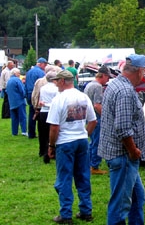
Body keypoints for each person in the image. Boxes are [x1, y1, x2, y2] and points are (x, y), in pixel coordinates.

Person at [98, 54, 145, 225]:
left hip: (118, 154)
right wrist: (133, 151)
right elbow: (123, 128)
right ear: (140, 71)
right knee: (120, 205)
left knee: (137, 197)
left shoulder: (115, 85)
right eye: (144, 72)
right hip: (124, 156)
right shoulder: (125, 91)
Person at [47, 70, 97, 224]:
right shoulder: (83, 96)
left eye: (57, 81)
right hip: (81, 140)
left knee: (64, 178)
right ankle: (86, 211)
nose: (55, 84)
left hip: (65, 142)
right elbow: (93, 121)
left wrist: (51, 145)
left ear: (62, 81)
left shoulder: (59, 99)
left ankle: (66, 214)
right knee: (83, 176)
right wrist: (84, 135)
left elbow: (54, 127)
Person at [84, 65, 110, 175]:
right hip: (96, 118)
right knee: (97, 142)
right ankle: (94, 166)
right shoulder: (98, 87)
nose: (108, 80)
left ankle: (88, 164)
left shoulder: (89, 84)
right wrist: (106, 117)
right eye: (108, 77)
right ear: (103, 75)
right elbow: (97, 105)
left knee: (92, 142)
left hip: (88, 117)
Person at [38, 71, 59, 163]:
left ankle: (43, 151)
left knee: (43, 133)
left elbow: (41, 100)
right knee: (53, 133)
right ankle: (52, 152)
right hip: (52, 111)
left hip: (43, 112)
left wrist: (44, 104)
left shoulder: (42, 88)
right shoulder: (56, 89)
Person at [25, 57, 48, 138]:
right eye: (45, 65)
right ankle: (41, 133)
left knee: (31, 114)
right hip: (37, 95)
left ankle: (31, 133)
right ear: (41, 64)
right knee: (40, 114)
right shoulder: (41, 73)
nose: (45, 67)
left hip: (28, 94)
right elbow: (42, 85)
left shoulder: (29, 72)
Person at [6, 68, 27, 136]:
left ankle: (14, 132)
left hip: (11, 102)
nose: (19, 74)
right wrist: (25, 95)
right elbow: (22, 90)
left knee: (14, 118)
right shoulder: (17, 80)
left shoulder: (9, 81)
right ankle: (24, 131)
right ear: (15, 73)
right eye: (18, 73)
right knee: (22, 117)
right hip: (19, 101)